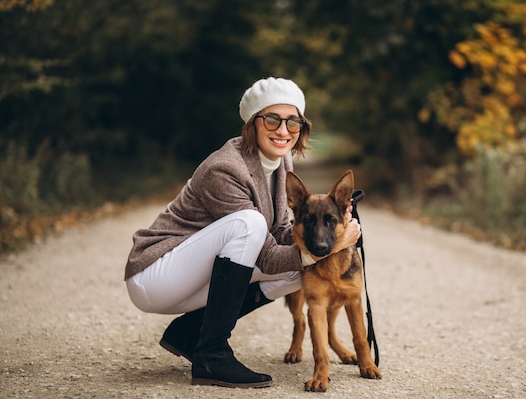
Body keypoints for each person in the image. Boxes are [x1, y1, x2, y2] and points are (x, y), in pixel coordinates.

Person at [124, 77, 361, 389]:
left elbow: (280, 232)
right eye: (272, 119)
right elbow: (265, 254)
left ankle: (191, 333)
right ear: (253, 123)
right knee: (249, 225)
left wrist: (333, 229)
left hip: (196, 274)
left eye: (293, 122)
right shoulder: (224, 168)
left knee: (301, 271)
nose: (282, 130)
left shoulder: (280, 161)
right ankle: (212, 354)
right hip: (156, 274)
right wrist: (335, 244)